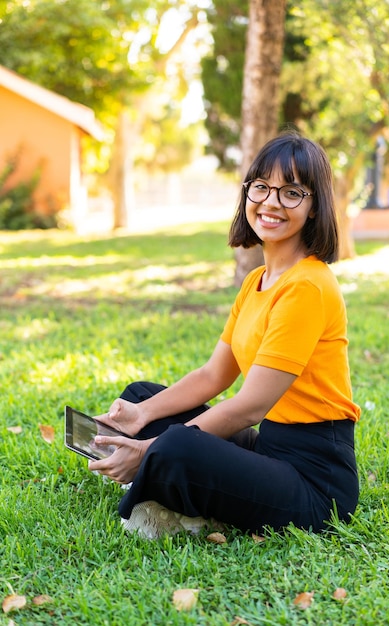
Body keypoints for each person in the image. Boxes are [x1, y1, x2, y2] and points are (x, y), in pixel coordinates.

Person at [89, 131, 361, 539]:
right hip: (270, 449)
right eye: (262, 187)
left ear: (315, 207)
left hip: (317, 482)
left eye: (291, 192)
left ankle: (176, 491)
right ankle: (174, 480)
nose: (270, 202)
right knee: (143, 396)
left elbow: (250, 406)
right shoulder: (258, 280)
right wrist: (144, 417)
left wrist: (150, 450)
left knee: (175, 447)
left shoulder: (308, 286)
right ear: (247, 192)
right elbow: (213, 375)